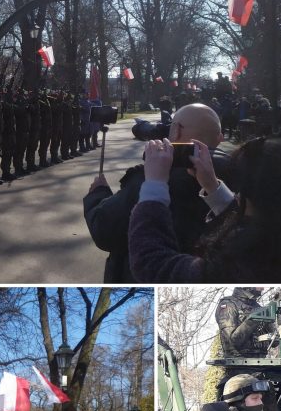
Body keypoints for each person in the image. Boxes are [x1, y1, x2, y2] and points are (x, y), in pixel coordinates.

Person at [128, 136, 281, 282]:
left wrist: (154, 186)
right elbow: (250, 223)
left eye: (239, 190)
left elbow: (153, 264)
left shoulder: (241, 266)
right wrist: (212, 186)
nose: (237, 195)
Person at [85, 103, 229, 282]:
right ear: (220, 138)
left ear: (176, 131)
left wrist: (97, 195)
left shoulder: (150, 179)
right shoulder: (240, 179)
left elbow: (105, 230)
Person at [216, 288, 272, 358]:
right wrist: (253, 320)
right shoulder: (228, 305)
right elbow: (232, 341)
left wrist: (276, 318)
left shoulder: (257, 307)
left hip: (261, 361)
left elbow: (274, 342)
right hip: (239, 363)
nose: (263, 288)